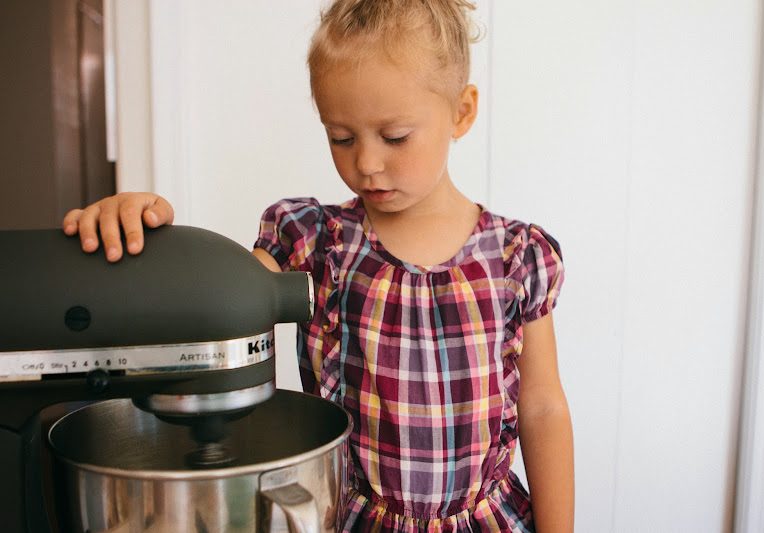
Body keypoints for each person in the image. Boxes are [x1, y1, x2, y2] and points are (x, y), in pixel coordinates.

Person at [63, 0, 574, 530]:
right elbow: (214, 307)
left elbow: (542, 408)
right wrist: (149, 233)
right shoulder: (314, 242)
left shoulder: (517, 257)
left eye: (395, 136)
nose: (366, 163)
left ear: (461, 113)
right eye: (341, 137)